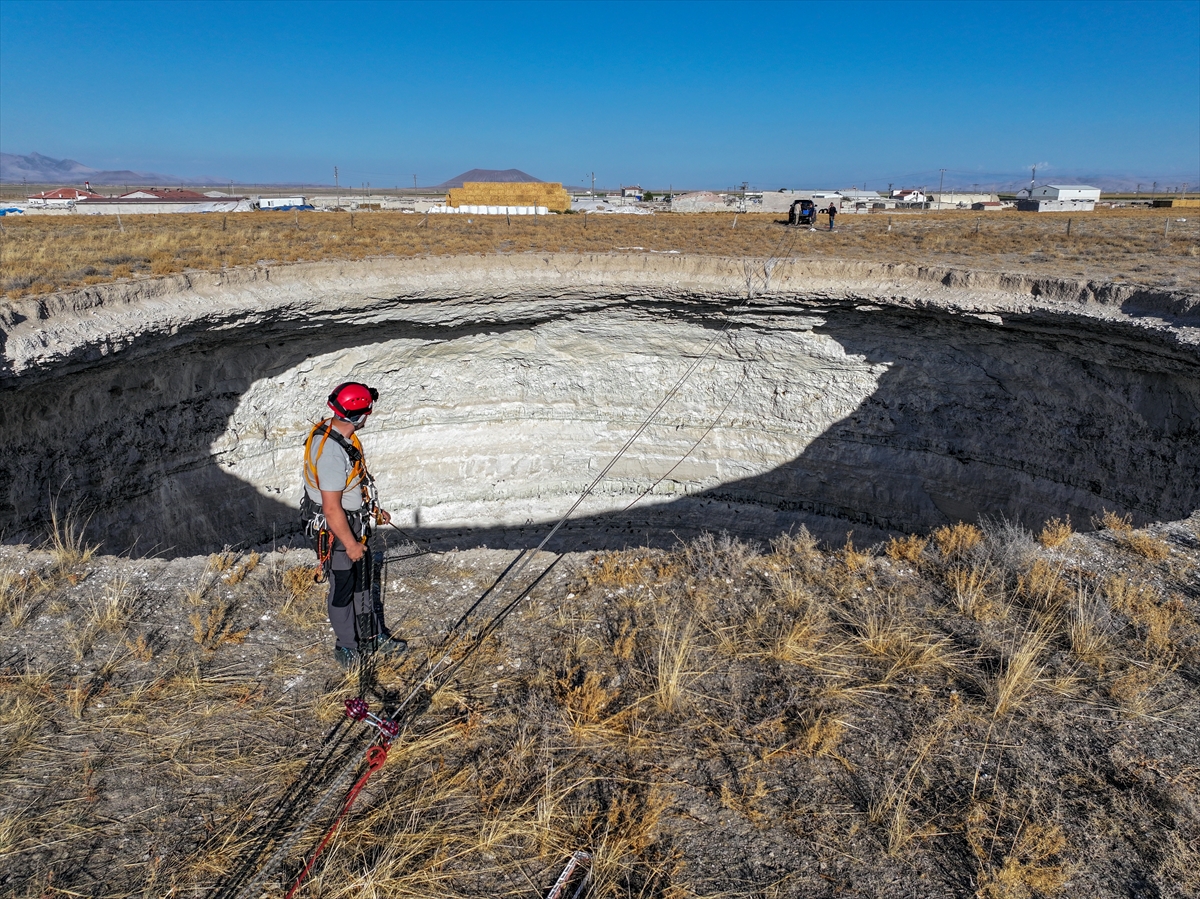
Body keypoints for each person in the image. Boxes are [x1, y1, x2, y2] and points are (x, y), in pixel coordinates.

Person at [301, 381, 406, 669]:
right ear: (360, 416)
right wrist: (349, 544)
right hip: (338, 530)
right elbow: (332, 507)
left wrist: (372, 508)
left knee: (361, 583)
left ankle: (371, 636)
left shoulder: (332, 432)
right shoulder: (332, 455)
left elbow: (351, 481)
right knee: (344, 587)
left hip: (351, 521)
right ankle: (346, 646)